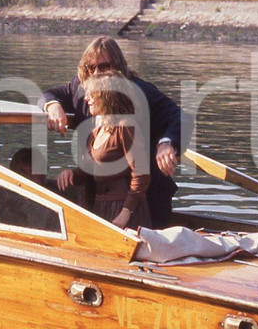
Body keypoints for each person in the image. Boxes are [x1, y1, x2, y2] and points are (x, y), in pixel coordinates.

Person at [39, 36, 191, 228]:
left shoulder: (141, 91)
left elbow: (181, 117)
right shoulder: (80, 89)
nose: (95, 73)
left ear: (118, 67)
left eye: (103, 67)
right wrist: (52, 106)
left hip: (148, 198)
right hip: (100, 197)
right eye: (89, 68)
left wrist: (167, 143)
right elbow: (48, 94)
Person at [56, 71, 151, 231]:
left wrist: (126, 212)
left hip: (124, 210)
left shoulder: (125, 126)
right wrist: (72, 175)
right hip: (102, 206)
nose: (86, 99)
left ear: (106, 96)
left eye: (92, 94)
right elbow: (88, 171)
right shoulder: (95, 131)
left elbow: (141, 174)